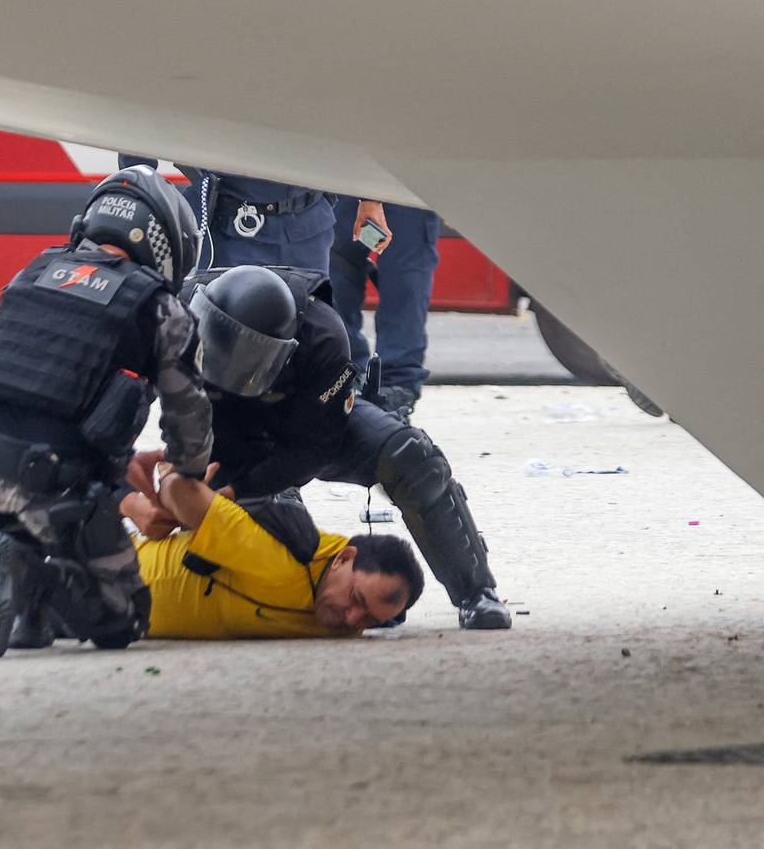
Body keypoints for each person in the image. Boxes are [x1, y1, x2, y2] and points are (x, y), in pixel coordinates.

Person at [0, 166, 214, 657]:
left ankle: (26, 606)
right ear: (163, 242)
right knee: (124, 621)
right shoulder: (158, 308)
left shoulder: (33, 270)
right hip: (50, 483)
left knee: (36, 478)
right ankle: (32, 575)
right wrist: (190, 473)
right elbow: (187, 409)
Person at [128, 264, 510, 630]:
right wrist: (158, 479)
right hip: (218, 431)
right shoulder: (173, 312)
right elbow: (128, 399)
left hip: (304, 421)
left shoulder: (324, 336)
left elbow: (312, 450)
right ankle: (344, 597)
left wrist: (237, 490)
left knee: (410, 457)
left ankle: (476, 592)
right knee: (248, 537)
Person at [0, 463, 423, 644]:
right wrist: (161, 489)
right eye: (359, 602)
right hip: (99, 586)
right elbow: (194, 496)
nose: (354, 621)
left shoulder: (329, 595)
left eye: (374, 621)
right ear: (343, 562)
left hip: (97, 577)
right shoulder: (283, 565)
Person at [330, 196, 441, 420]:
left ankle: (393, 390)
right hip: (360, 180)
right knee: (338, 281)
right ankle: (348, 376)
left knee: (404, 284)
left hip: (402, 184)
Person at [182, 168, 392, 277]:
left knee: (310, 333)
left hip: (307, 229)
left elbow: (349, 118)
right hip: (232, 229)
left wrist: (370, 198)